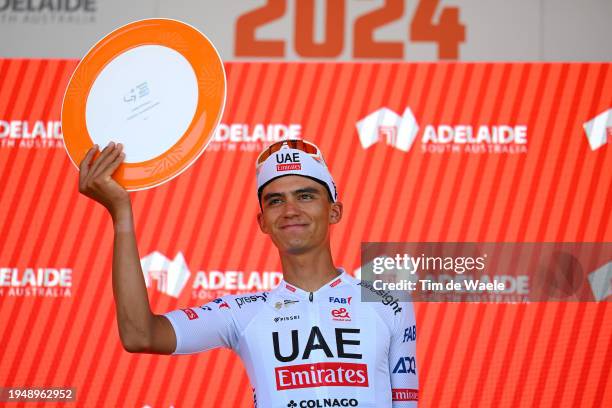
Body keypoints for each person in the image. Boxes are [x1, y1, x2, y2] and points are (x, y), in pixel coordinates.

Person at [79, 139, 419, 407]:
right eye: (275, 201)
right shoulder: (245, 312)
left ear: (334, 211)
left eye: (305, 195)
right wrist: (120, 211)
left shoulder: (388, 302)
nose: (290, 210)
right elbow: (141, 334)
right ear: (262, 223)